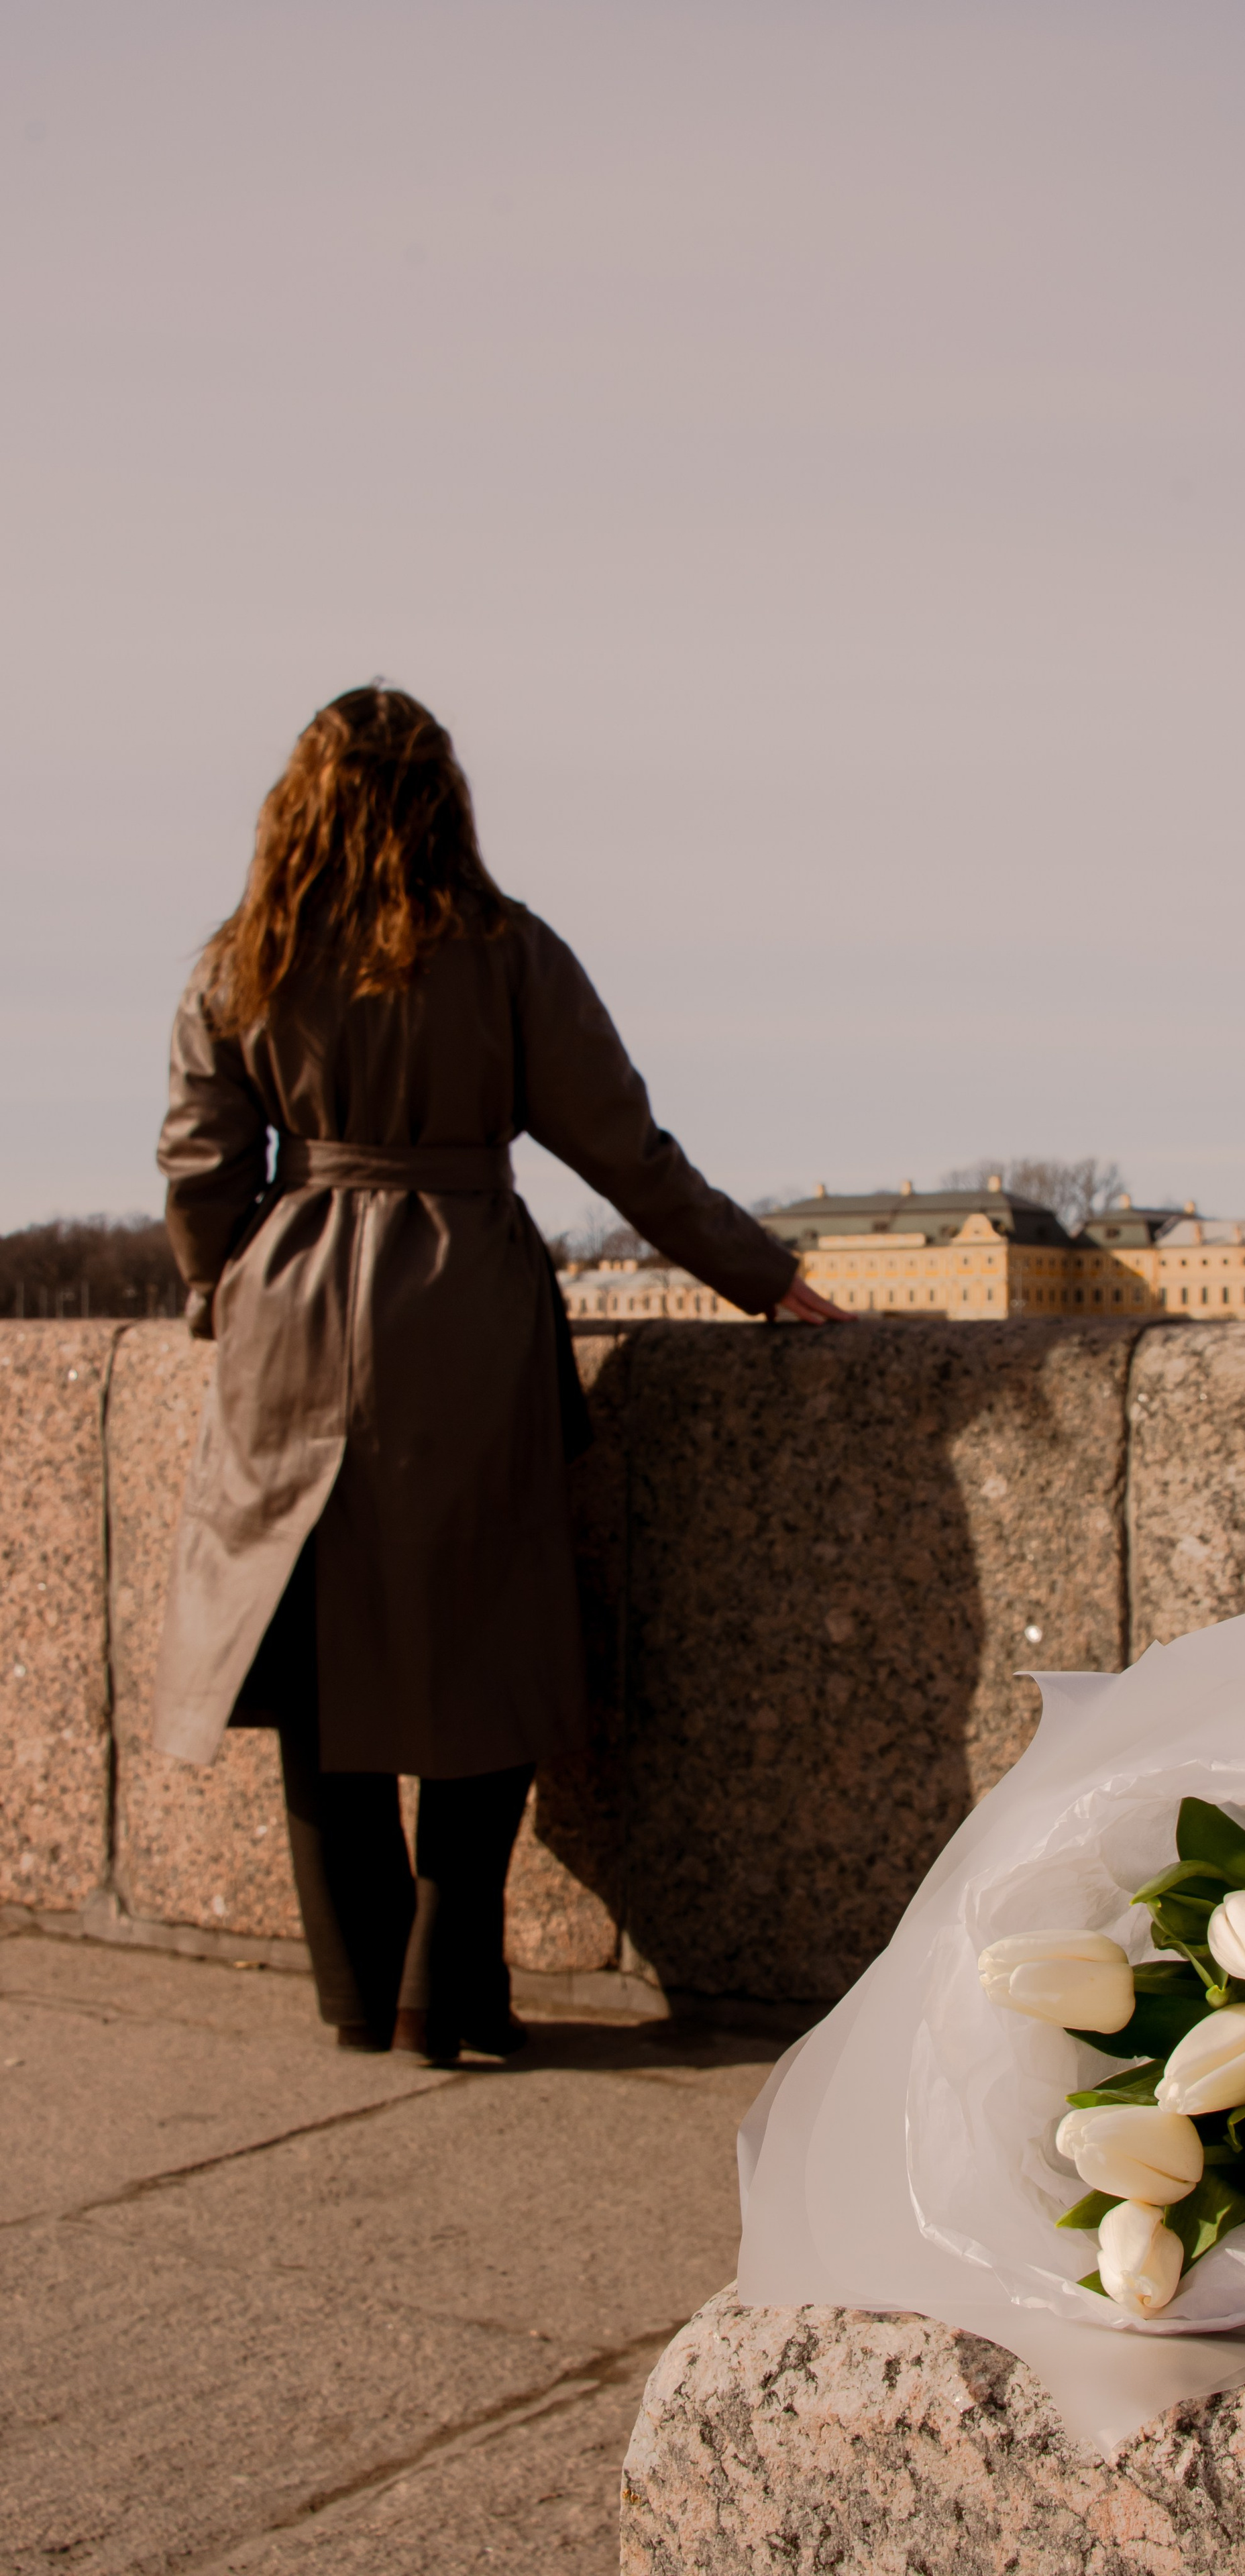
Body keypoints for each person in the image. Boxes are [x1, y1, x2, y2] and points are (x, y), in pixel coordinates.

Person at [152, 684, 846, 2063]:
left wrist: (217, 1288)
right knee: (485, 1638)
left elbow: (196, 1161)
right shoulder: (507, 952)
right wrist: (761, 1277)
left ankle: (356, 1992)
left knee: (317, 1659)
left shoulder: (241, 959)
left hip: (289, 1303)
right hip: (459, 1299)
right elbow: (623, 1149)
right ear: (443, 803)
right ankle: (446, 1984)